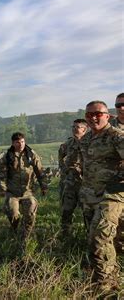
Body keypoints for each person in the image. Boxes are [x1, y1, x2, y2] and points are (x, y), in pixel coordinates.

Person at [79, 100, 123, 294]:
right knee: (95, 241)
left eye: (98, 113)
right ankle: (109, 277)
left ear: (108, 116)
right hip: (90, 196)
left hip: (111, 196)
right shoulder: (87, 139)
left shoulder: (116, 137)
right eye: (89, 115)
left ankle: (106, 289)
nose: (93, 117)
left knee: (100, 239)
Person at [0, 132, 47, 248]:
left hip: (28, 192)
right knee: (13, 214)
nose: (21, 144)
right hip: (12, 192)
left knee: (30, 214)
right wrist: (3, 189)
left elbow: (40, 171)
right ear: (13, 143)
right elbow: (2, 174)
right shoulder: (7, 156)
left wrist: (43, 186)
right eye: (17, 142)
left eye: (23, 142)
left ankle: (25, 236)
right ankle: (15, 229)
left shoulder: (31, 155)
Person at [58, 119, 88, 235]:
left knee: (87, 212)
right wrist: (65, 170)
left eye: (78, 127)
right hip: (70, 183)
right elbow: (60, 158)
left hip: (86, 184)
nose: (75, 129)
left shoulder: (90, 143)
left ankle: (89, 235)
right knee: (67, 210)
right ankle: (65, 234)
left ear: (84, 129)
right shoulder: (67, 145)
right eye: (73, 127)